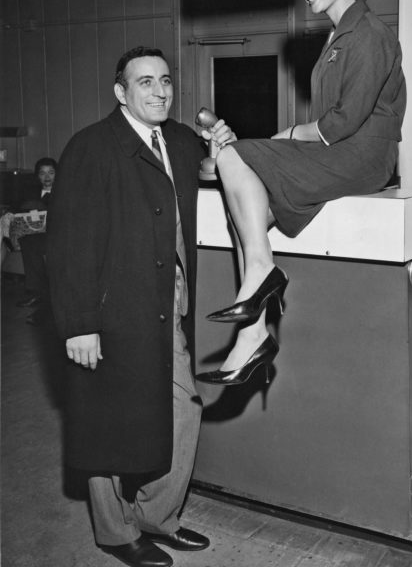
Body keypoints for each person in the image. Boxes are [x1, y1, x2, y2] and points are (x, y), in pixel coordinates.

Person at [46, 47, 235, 567]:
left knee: (182, 409)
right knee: (107, 421)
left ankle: (157, 517)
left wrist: (217, 164)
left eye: (166, 81)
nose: (159, 91)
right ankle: (114, 531)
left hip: (164, 309)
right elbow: (69, 244)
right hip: (109, 314)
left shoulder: (176, 139)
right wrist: (80, 324)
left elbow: (190, 192)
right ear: (120, 92)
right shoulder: (91, 147)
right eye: (145, 82)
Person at [196, 0, 406, 386]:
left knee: (235, 155)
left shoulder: (369, 33)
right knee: (248, 215)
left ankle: (260, 283)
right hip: (340, 155)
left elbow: (342, 122)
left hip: (361, 156)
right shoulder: (339, 35)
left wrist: (290, 135)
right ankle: (251, 336)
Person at [16, 157, 57, 324]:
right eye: (42, 173)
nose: (47, 177)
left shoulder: (63, 192)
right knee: (29, 242)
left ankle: (38, 295)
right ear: (37, 176)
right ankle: (36, 293)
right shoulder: (31, 192)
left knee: (34, 245)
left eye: (51, 173)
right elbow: (18, 209)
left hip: (55, 235)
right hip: (34, 234)